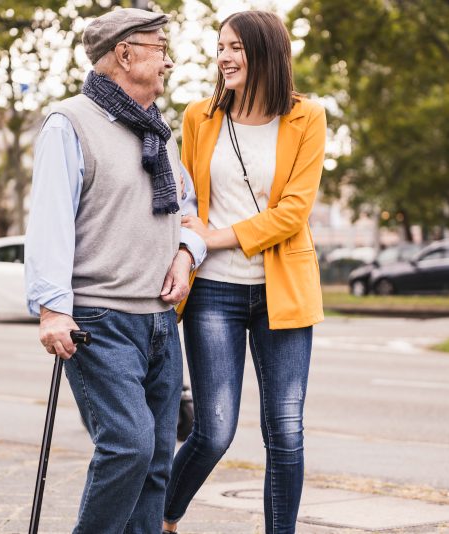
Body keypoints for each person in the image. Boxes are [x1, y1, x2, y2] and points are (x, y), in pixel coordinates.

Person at [24, 8, 206, 533]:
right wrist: (52, 311)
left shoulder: (157, 134)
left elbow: (189, 211)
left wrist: (185, 252)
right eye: (159, 48)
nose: (169, 61)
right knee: (129, 445)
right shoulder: (70, 122)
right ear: (125, 55)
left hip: (159, 322)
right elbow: (51, 221)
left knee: (155, 461)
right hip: (99, 320)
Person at [162, 10, 326, 534]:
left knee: (286, 431)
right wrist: (192, 249)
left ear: (267, 54)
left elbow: (293, 212)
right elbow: (185, 203)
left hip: (283, 292)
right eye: (221, 47)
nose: (225, 57)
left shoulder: (308, 117)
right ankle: (161, 519)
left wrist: (217, 235)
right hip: (214, 292)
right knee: (212, 431)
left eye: (236, 47)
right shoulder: (198, 117)